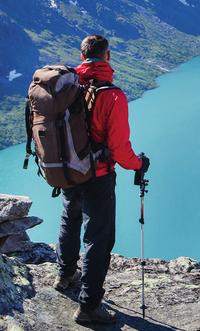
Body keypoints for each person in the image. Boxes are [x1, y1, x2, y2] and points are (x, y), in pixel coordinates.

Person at [55, 34, 150, 325]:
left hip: (68, 171)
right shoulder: (112, 95)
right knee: (98, 237)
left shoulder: (68, 86)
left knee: (70, 219)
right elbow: (120, 149)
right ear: (106, 56)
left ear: (82, 56)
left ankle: (65, 274)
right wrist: (140, 164)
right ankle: (89, 306)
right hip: (97, 176)